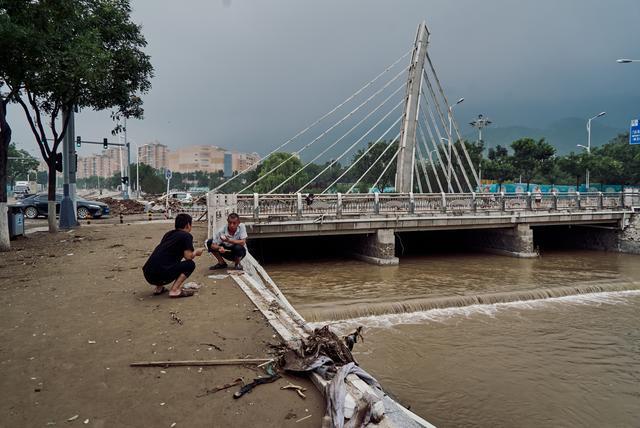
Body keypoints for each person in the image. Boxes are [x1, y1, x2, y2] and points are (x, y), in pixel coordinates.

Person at [142, 213, 203, 298]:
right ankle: (174, 290)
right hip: (160, 274)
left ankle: (158, 288)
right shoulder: (186, 236)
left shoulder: (169, 234)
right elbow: (188, 257)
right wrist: (196, 252)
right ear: (188, 225)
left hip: (148, 273)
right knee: (190, 264)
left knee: (167, 260)